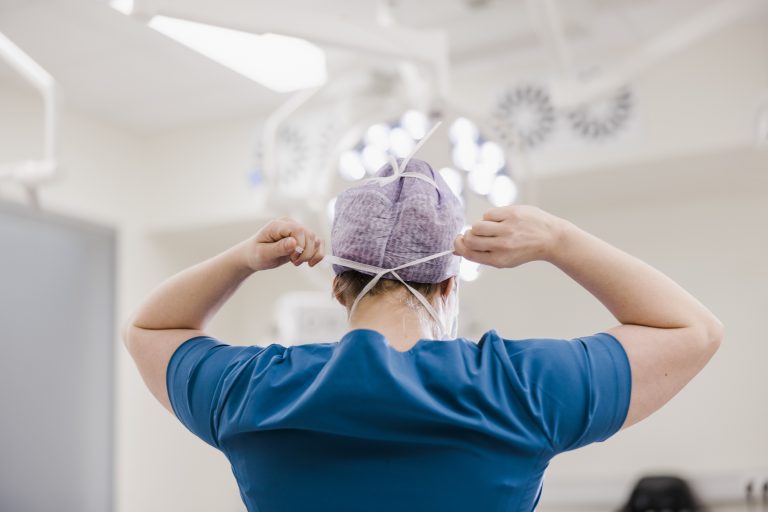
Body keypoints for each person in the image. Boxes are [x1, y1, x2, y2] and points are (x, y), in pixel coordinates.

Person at [124, 158, 723, 512]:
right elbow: (691, 329)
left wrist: (243, 258)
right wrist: (559, 240)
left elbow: (150, 328)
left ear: (337, 287)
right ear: (448, 287)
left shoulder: (252, 392)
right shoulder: (520, 388)